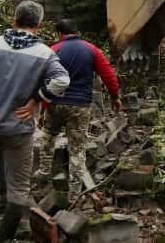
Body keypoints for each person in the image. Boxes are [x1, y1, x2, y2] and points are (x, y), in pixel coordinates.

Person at [0, 1, 69, 242]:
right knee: (20, 194)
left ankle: (0, 198)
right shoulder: (45, 53)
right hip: (17, 129)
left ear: (14, 20)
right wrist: (37, 100)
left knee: (2, 148)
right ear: (38, 26)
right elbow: (62, 81)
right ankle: (4, 236)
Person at [37, 19, 121, 202]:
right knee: (77, 150)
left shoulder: (53, 50)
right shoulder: (91, 49)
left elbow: (45, 81)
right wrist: (115, 97)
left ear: (60, 33)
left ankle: (43, 176)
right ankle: (74, 194)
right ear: (77, 31)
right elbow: (108, 74)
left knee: (48, 139)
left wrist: (42, 110)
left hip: (55, 104)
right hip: (80, 107)